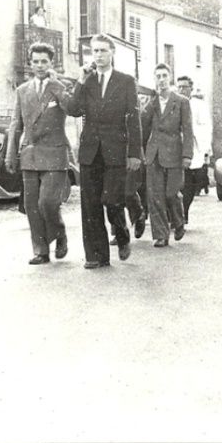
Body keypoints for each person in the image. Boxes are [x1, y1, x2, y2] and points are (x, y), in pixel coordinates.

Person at [64, 33, 142, 269]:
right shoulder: (86, 82)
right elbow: (73, 110)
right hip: (90, 150)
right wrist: (79, 80)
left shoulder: (126, 81)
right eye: (94, 51)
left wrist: (134, 153)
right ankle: (96, 255)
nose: (98, 56)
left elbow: (133, 118)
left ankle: (121, 234)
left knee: (112, 199)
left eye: (102, 51)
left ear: (112, 53)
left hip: (116, 150)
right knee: (90, 204)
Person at [4, 42, 71, 265]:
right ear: (30, 63)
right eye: (36, 61)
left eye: (44, 61)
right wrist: (10, 154)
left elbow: (73, 108)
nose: (40, 65)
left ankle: (59, 232)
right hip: (30, 154)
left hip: (54, 154)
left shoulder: (58, 87)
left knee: (48, 203)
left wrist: (58, 85)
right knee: (32, 206)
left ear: (51, 63)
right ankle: (41, 250)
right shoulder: (22, 91)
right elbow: (16, 124)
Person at [141, 63, 193, 247]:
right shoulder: (152, 103)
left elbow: (187, 130)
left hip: (174, 153)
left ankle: (178, 222)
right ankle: (161, 235)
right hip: (154, 153)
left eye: (164, 76)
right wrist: (139, 152)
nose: (161, 80)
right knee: (155, 195)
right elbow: (143, 127)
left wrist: (187, 155)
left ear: (170, 78)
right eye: (158, 76)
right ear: (154, 79)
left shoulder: (181, 102)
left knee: (171, 193)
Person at [177, 76, 210, 225]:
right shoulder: (174, 102)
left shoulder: (199, 105)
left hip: (194, 148)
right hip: (176, 147)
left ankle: (184, 212)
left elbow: (206, 127)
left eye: (185, 87)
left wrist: (206, 150)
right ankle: (177, 215)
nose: (182, 90)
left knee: (189, 184)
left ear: (191, 88)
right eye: (179, 87)